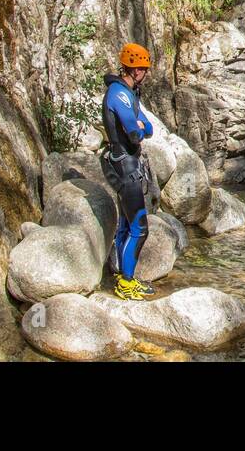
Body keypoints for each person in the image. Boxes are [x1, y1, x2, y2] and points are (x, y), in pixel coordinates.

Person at [100, 42, 156, 301]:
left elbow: (150, 127)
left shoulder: (125, 93)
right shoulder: (119, 94)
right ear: (135, 70)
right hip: (126, 167)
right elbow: (136, 133)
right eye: (143, 68)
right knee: (139, 227)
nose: (145, 73)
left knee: (125, 225)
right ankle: (126, 283)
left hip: (125, 164)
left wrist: (142, 126)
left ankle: (125, 278)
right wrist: (140, 127)